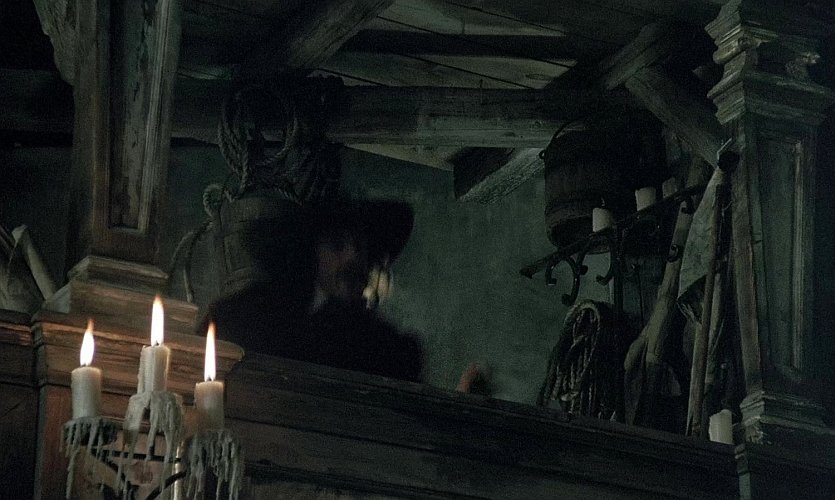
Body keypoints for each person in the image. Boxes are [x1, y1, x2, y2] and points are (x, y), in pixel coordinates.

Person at [204, 199, 425, 383]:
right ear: (311, 253)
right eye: (337, 245)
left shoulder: (386, 349)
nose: (353, 258)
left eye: (361, 247)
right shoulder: (247, 316)